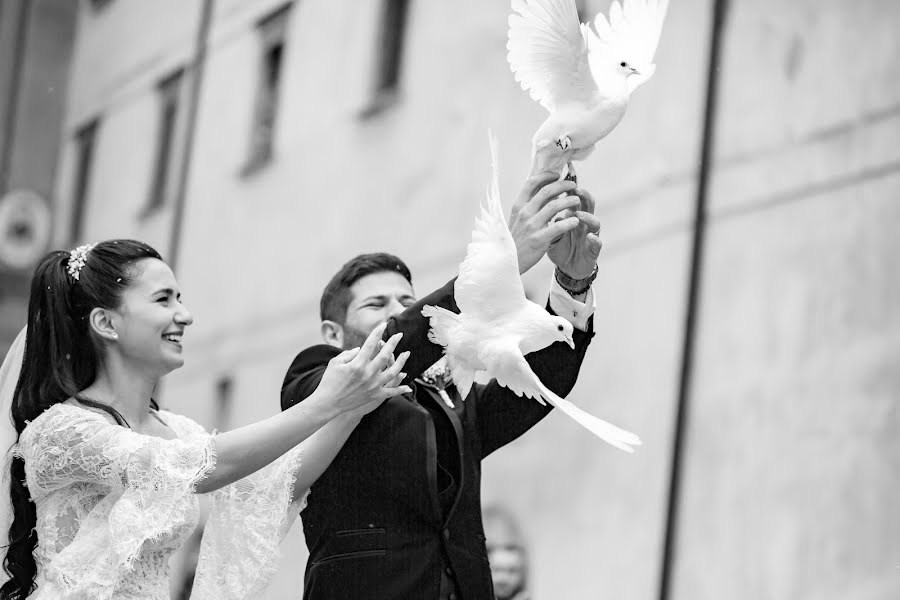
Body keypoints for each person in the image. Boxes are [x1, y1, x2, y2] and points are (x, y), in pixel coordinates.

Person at [0, 239, 412, 600]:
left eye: (180, 298)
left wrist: (353, 406)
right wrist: (325, 401)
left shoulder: (177, 431)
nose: (185, 315)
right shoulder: (62, 432)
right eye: (164, 300)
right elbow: (204, 466)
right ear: (106, 323)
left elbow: (272, 485)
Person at [281, 171, 604, 599]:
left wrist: (571, 284)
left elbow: (535, 387)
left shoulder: (451, 395)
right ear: (332, 332)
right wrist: (494, 267)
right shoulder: (313, 376)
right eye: (376, 305)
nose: (398, 311)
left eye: (405, 301)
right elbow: (395, 347)